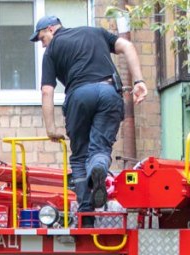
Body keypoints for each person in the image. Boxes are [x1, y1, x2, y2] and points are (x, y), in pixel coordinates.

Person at [30, 15, 147, 222]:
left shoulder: (52, 49)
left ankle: (86, 213)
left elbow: (47, 92)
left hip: (79, 97)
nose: (42, 45)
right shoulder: (95, 32)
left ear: (50, 29)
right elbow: (127, 46)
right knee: (100, 149)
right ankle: (99, 167)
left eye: (41, 38)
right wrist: (139, 81)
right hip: (109, 91)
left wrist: (50, 128)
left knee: (79, 156)